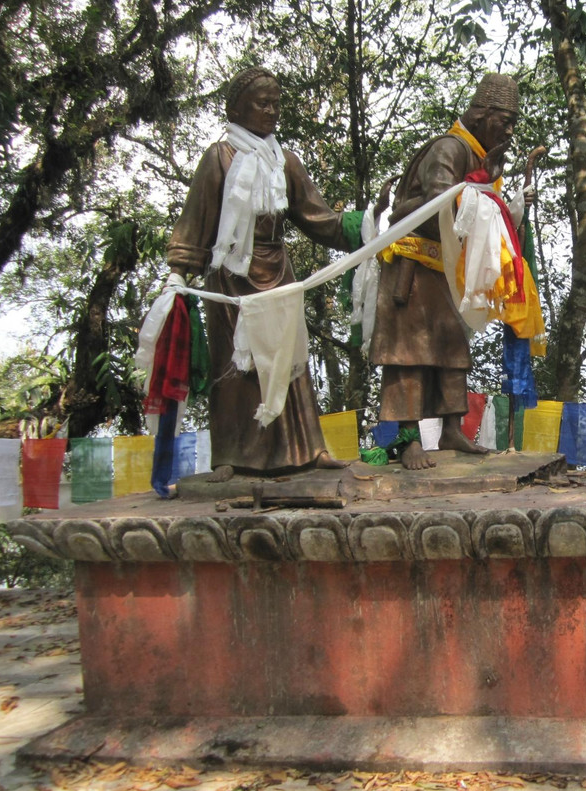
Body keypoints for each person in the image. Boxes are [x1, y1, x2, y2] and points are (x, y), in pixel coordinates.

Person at [166, 66, 360, 481]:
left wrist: (368, 225)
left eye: (276, 103)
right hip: (231, 275)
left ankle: (307, 449)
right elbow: (196, 220)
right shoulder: (219, 157)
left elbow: (318, 218)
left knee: (289, 361)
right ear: (237, 107)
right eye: (262, 102)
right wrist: (179, 274)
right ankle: (231, 457)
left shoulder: (284, 161)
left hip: (279, 271)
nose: (272, 110)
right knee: (238, 368)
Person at [369, 73, 522, 470]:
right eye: (504, 121)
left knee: (453, 349)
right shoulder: (450, 148)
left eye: (512, 124)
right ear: (482, 114)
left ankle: (452, 428)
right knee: (410, 355)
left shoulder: (475, 156)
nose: (508, 131)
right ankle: (408, 440)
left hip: (442, 268)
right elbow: (441, 201)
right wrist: (480, 187)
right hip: (413, 265)